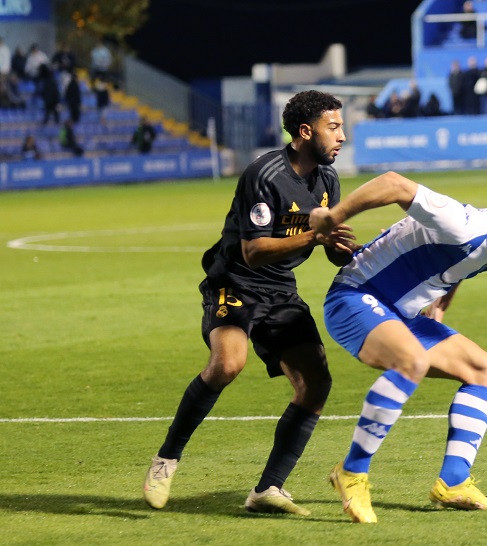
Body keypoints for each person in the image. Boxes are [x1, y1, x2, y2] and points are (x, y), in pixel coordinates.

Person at [142, 90, 357, 517]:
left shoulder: (328, 182)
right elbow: (253, 251)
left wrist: (341, 247)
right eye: (334, 127)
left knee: (316, 384)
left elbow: (328, 249)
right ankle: (166, 459)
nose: (343, 136)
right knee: (227, 365)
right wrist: (316, 235)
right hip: (235, 280)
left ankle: (268, 489)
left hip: (281, 290)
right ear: (304, 131)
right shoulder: (265, 174)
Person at [309, 173, 487, 523]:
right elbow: (394, 184)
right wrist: (332, 217)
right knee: (410, 361)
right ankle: (351, 474)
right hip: (354, 298)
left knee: (485, 371)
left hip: (401, 314)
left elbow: (457, 269)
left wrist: (440, 305)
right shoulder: (462, 223)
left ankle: (453, 483)